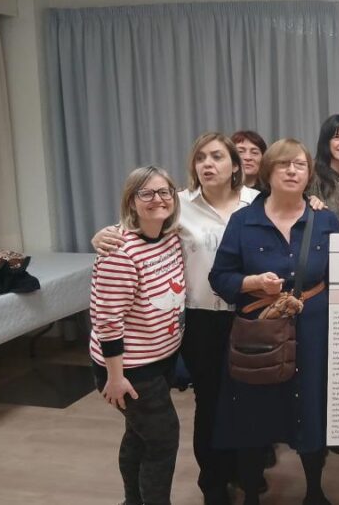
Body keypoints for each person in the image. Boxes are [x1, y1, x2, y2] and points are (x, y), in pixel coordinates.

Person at [93, 133, 260, 504]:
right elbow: (133, 227)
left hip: (249, 317)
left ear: (236, 165)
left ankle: (244, 473)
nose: (207, 164)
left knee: (247, 403)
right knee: (209, 405)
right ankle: (213, 484)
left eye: (217, 156)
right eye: (200, 157)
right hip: (201, 321)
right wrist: (102, 236)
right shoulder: (177, 204)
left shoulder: (257, 202)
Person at [209, 138, 339, 505]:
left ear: (309, 174)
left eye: (300, 165)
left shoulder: (325, 220)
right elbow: (220, 277)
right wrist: (252, 283)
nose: (292, 171)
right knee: (254, 414)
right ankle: (252, 493)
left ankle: (314, 490)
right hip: (260, 332)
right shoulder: (243, 221)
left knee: (311, 409)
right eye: (283, 164)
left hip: (315, 331)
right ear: (268, 172)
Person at [89, 165, 184, 505]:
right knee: (162, 440)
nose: (158, 199)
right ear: (131, 201)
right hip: (129, 369)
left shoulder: (171, 237)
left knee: (140, 436)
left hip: (160, 359)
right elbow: (107, 321)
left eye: (164, 192)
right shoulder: (119, 252)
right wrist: (115, 378)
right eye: (147, 193)